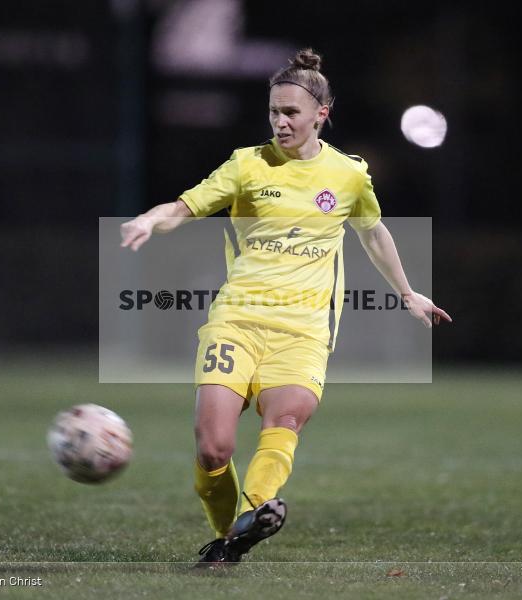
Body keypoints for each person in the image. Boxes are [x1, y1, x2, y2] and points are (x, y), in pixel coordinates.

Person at [120, 48, 451, 566]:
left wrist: (407, 292)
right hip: (237, 323)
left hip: (303, 331)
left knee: (287, 418)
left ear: (322, 113)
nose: (280, 121)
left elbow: (373, 232)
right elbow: (185, 206)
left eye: (291, 112)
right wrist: (148, 219)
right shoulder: (246, 166)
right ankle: (233, 528)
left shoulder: (348, 175)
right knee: (213, 448)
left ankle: (246, 527)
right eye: (274, 111)